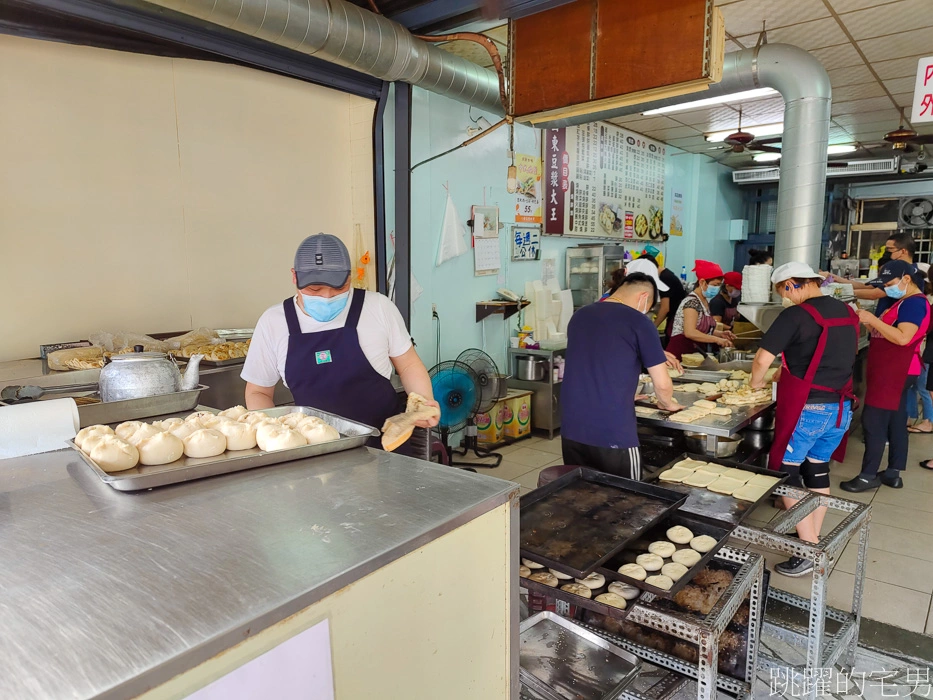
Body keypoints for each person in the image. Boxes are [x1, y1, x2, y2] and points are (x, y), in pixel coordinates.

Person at [241, 233, 440, 442]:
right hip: (314, 452)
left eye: (339, 288)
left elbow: (408, 365)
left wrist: (423, 403)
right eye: (315, 289)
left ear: (349, 276)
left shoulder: (378, 308)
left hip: (384, 445)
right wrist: (275, 434)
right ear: (294, 277)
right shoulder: (274, 322)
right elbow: (258, 392)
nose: (327, 297)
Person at [749, 263, 859, 577]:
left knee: (785, 472)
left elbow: (762, 358)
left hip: (808, 411)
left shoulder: (796, 315)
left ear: (792, 284)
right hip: (840, 409)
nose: (785, 297)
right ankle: (811, 535)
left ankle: (809, 549)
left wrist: (756, 383)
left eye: (783, 290)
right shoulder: (846, 312)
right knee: (816, 468)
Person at [561, 272, 681, 479]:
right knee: (627, 501)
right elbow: (661, 383)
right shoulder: (639, 322)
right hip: (612, 433)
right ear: (643, 298)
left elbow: (594, 363)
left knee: (580, 496)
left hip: (572, 429)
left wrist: (623, 392)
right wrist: (667, 404)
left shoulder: (580, 315)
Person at [841, 260, 931, 492]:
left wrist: (872, 320)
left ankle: (868, 475)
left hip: (896, 372)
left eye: (890, 283)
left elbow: (903, 338)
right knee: (896, 422)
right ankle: (893, 473)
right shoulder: (901, 302)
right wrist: (871, 325)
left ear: (907, 279)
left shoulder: (914, 304)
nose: (888, 288)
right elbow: (888, 333)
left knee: (873, 421)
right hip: (895, 371)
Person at [666, 260, 735, 359]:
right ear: (702, 282)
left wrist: (720, 334)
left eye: (719, 285)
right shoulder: (692, 302)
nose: (717, 288)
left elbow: (701, 329)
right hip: (680, 352)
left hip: (693, 353)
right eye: (715, 285)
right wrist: (716, 340)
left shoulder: (704, 302)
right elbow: (690, 332)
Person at [908, 264, 933, 434]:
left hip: (928, 353)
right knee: (918, 386)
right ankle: (913, 416)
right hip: (925, 352)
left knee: (924, 388)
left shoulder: (925, 302)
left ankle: (928, 421)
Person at [641, 255, 686, 344]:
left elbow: (665, 308)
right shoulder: (666, 273)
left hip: (675, 321)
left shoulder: (664, 278)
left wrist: (653, 327)